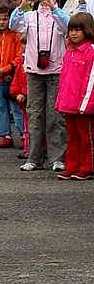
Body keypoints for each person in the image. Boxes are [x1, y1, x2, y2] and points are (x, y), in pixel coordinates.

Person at [10, 0, 69, 171]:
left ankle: (57, 158)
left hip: (56, 70)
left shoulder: (61, 14)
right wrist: (23, 4)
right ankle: (34, 157)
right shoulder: (30, 16)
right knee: (34, 114)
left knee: (55, 116)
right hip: (34, 71)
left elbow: (68, 27)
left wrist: (53, 7)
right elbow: (13, 25)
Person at [55, 13, 94, 179]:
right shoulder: (69, 52)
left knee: (86, 138)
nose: (73, 33)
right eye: (71, 30)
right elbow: (64, 80)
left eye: (78, 30)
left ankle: (86, 167)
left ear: (87, 30)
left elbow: (91, 80)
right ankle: (72, 166)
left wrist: (85, 105)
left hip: (84, 106)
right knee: (72, 137)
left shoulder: (90, 52)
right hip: (69, 104)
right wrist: (60, 101)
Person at [0, 5, 23, 147]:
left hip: (13, 76)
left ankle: (23, 133)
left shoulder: (16, 35)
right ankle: (4, 134)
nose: (2, 22)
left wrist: (7, 69)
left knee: (17, 106)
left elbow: (19, 56)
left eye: (5, 19)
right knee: (0, 107)